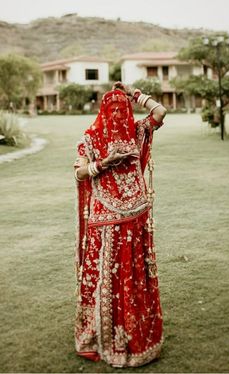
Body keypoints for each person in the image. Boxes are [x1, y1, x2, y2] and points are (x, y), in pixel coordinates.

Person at [73, 82, 167, 367]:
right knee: (104, 277)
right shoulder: (90, 138)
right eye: (112, 108)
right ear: (103, 110)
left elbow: (160, 112)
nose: (117, 113)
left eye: (122, 107)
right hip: (105, 220)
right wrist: (104, 163)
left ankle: (136, 338)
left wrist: (135, 93)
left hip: (135, 218)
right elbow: (79, 173)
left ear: (128, 110)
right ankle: (98, 337)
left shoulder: (137, 132)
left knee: (133, 276)